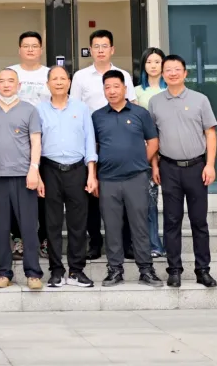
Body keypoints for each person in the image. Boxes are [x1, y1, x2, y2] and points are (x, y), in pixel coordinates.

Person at [148, 55, 217, 289]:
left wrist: (210, 164)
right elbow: (153, 138)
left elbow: (210, 133)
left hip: (197, 168)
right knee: (171, 221)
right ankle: (174, 270)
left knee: (199, 221)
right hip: (169, 168)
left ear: (185, 73)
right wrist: (155, 166)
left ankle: (203, 270)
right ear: (162, 74)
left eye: (177, 69)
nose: (173, 73)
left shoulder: (200, 100)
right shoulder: (155, 102)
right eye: (168, 70)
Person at [92, 70, 163, 288]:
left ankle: (146, 270)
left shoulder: (140, 113)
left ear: (124, 88)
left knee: (139, 225)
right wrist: (93, 176)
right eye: (107, 87)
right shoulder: (97, 116)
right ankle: (115, 270)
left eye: (116, 86)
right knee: (112, 227)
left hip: (136, 178)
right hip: (108, 180)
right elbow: (93, 148)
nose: (112, 91)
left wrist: (140, 161)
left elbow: (153, 141)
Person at [69, 29, 135, 261]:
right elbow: (74, 109)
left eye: (104, 46)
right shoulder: (80, 77)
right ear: (90, 50)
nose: (100, 50)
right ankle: (95, 243)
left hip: (118, 141)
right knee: (92, 194)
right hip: (90, 141)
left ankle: (126, 244)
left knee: (121, 194)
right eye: (96, 46)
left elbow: (133, 105)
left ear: (112, 49)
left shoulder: (123, 75)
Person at [36, 66, 97, 289]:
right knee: (51, 223)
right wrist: (37, 174)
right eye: (55, 79)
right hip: (49, 169)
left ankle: (76, 270)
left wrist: (91, 174)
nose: (59, 82)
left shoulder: (81, 108)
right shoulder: (39, 110)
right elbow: (35, 144)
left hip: (77, 170)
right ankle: (56, 270)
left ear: (69, 82)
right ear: (48, 84)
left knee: (78, 223)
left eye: (63, 78)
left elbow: (89, 141)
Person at [0, 69, 44, 290]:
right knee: (1, 228)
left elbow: (36, 142)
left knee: (28, 227)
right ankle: (3, 272)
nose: (6, 85)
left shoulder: (29, 110)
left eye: (11, 81)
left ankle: (33, 273)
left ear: (18, 85)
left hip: (24, 176)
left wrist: (34, 169)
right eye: (2, 81)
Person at [0, 31, 51, 262]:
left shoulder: (49, 74)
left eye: (34, 46)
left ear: (41, 49)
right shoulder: (10, 73)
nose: (30, 49)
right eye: (26, 46)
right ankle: (18, 238)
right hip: (16, 146)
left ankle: (44, 239)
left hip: (45, 143)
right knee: (15, 197)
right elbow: (2, 105)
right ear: (19, 49)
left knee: (43, 195)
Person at [135, 47, 168, 258]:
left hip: (171, 151)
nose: (153, 66)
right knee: (149, 201)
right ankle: (154, 243)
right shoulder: (137, 92)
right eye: (149, 62)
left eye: (157, 61)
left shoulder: (171, 89)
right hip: (146, 152)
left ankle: (170, 243)